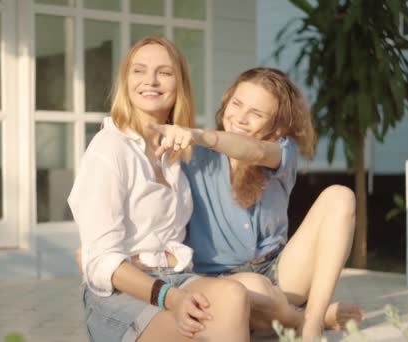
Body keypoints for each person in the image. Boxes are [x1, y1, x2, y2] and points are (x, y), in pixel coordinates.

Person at [68, 36, 264, 342]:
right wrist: (170, 298)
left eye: (164, 72)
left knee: (234, 295)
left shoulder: (176, 154)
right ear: (126, 80)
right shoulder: (109, 149)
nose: (151, 81)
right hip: (124, 292)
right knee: (202, 331)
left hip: (177, 277)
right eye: (139, 70)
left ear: (180, 84)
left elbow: (257, 152)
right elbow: (100, 262)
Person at [150, 67, 363, 341]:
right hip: (223, 282)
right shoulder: (193, 155)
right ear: (226, 102)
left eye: (256, 113)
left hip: (281, 273)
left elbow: (256, 150)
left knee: (340, 195)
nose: (241, 117)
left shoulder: (282, 152)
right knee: (252, 287)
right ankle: (306, 316)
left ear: (276, 127)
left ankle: (312, 323)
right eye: (237, 104)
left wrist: (197, 134)